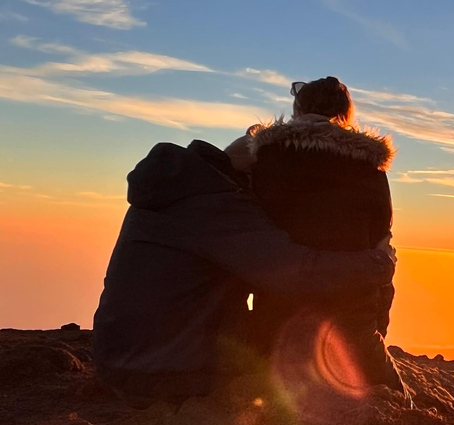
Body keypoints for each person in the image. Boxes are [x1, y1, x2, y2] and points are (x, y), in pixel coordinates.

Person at [92, 137, 396, 405]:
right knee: (296, 364)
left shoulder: (179, 188)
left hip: (121, 356)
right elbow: (295, 271)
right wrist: (379, 262)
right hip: (162, 371)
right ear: (249, 175)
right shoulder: (221, 205)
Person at [241, 77, 404, 396]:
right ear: (345, 114)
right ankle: (374, 356)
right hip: (347, 324)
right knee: (384, 268)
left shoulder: (263, 160)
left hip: (276, 322)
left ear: (298, 109)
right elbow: (380, 239)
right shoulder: (369, 167)